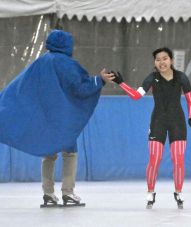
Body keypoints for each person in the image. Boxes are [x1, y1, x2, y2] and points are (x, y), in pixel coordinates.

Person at [0, 30, 115, 206]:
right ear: (67, 45)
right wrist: (99, 80)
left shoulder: (40, 62)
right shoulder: (66, 63)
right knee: (70, 153)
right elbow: (80, 87)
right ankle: (68, 193)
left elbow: (20, 86)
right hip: (64, 117)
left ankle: (48, 194)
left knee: (49, 153)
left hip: (46, 118)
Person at [112, 47, 191, 209]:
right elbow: (136, 96)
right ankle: (151, 192)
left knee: (178, 160)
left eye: (165, 58)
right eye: (158, 60)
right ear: (155, 63)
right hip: (158, 121)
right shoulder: (152, 78)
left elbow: (190, 100)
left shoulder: (181, 78)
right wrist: (121, 83)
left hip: (177, 122)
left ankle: (178, 192)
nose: (162, 62)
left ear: (171, 60)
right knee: (155, 159)